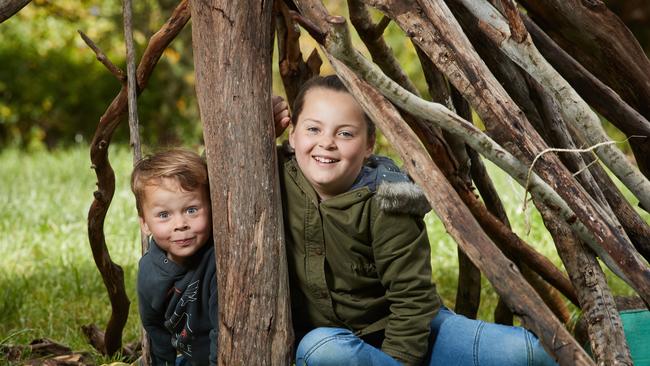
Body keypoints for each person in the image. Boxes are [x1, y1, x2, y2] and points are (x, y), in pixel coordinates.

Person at [274, 75, 558, 366]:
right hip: (336, 346)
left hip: (415, 334)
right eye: (313, 129)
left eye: (345, 134)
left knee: (527, 353)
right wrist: (262, 127)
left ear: (369, 144)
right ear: (293, 136)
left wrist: (398, 361)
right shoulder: (273, 177)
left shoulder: (386, 198)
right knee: (321, 350)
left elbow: (412, 301)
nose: (327, 143)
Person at [131, 148, 217, 366]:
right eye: (164, 215)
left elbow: (223, 330)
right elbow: (155, 330)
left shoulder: (218, 260)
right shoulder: (149, 271)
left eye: (191, 210)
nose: (180, 225)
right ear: (144, 223)